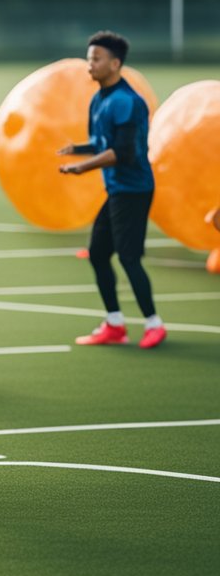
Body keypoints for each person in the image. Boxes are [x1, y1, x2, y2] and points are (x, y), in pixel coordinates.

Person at [57, 31, 165, 349]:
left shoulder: (128, 102)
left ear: (115, 63)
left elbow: (124, 152)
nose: (89, 65)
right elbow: (104, 144)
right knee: (99, 254)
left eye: (96, 59)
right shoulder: (99, 99)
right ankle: (115, 324)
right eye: (89, 58)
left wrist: (82, 167)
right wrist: (76, 149)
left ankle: (154, 324)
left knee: (129, 258)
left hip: (133, 190)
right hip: (117, 189)